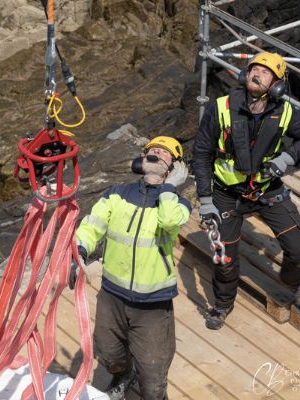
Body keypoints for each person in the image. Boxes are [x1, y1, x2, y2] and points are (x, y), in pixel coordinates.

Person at [192, 52, 300, 330]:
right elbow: (201, 154)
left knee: (297, 249)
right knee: (224, 258)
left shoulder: (285, 112)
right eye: (253, 70)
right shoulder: (222, 108)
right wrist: (205, 199)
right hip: (227, 193)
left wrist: (285, 159)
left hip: (267, 190)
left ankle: (294, 283)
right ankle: (223, 304)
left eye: (265, 72)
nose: (256, 74)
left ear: (277, 84)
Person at [71, 136, 191, 400]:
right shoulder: (117, 193)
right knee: (109, 352)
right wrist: (79, 249)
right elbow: (93, 225)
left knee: (153, 374)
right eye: (152, 150)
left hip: (153, 305)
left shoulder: (179, 204)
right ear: (142, 159)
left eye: (165, 153)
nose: (157, 152)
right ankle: (124, 375)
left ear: (175, 168)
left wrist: (169, 187)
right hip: (112, 295)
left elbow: (170, 221)